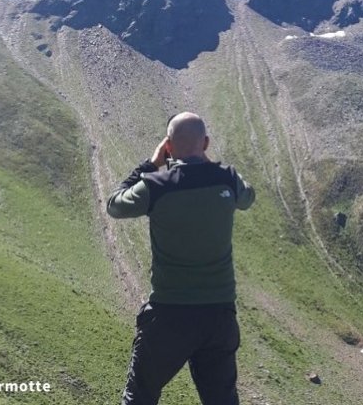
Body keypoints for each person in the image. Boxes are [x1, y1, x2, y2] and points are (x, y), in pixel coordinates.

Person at [107, 112, 255, 405]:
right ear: (206, 143)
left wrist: (151, 165)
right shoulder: (227, 179)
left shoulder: (156, 185)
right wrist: (208, 164)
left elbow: (115, 204)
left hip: (169, 315)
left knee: (140, 396)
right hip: (219, 317)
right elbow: (248, 197)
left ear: (168, 147)